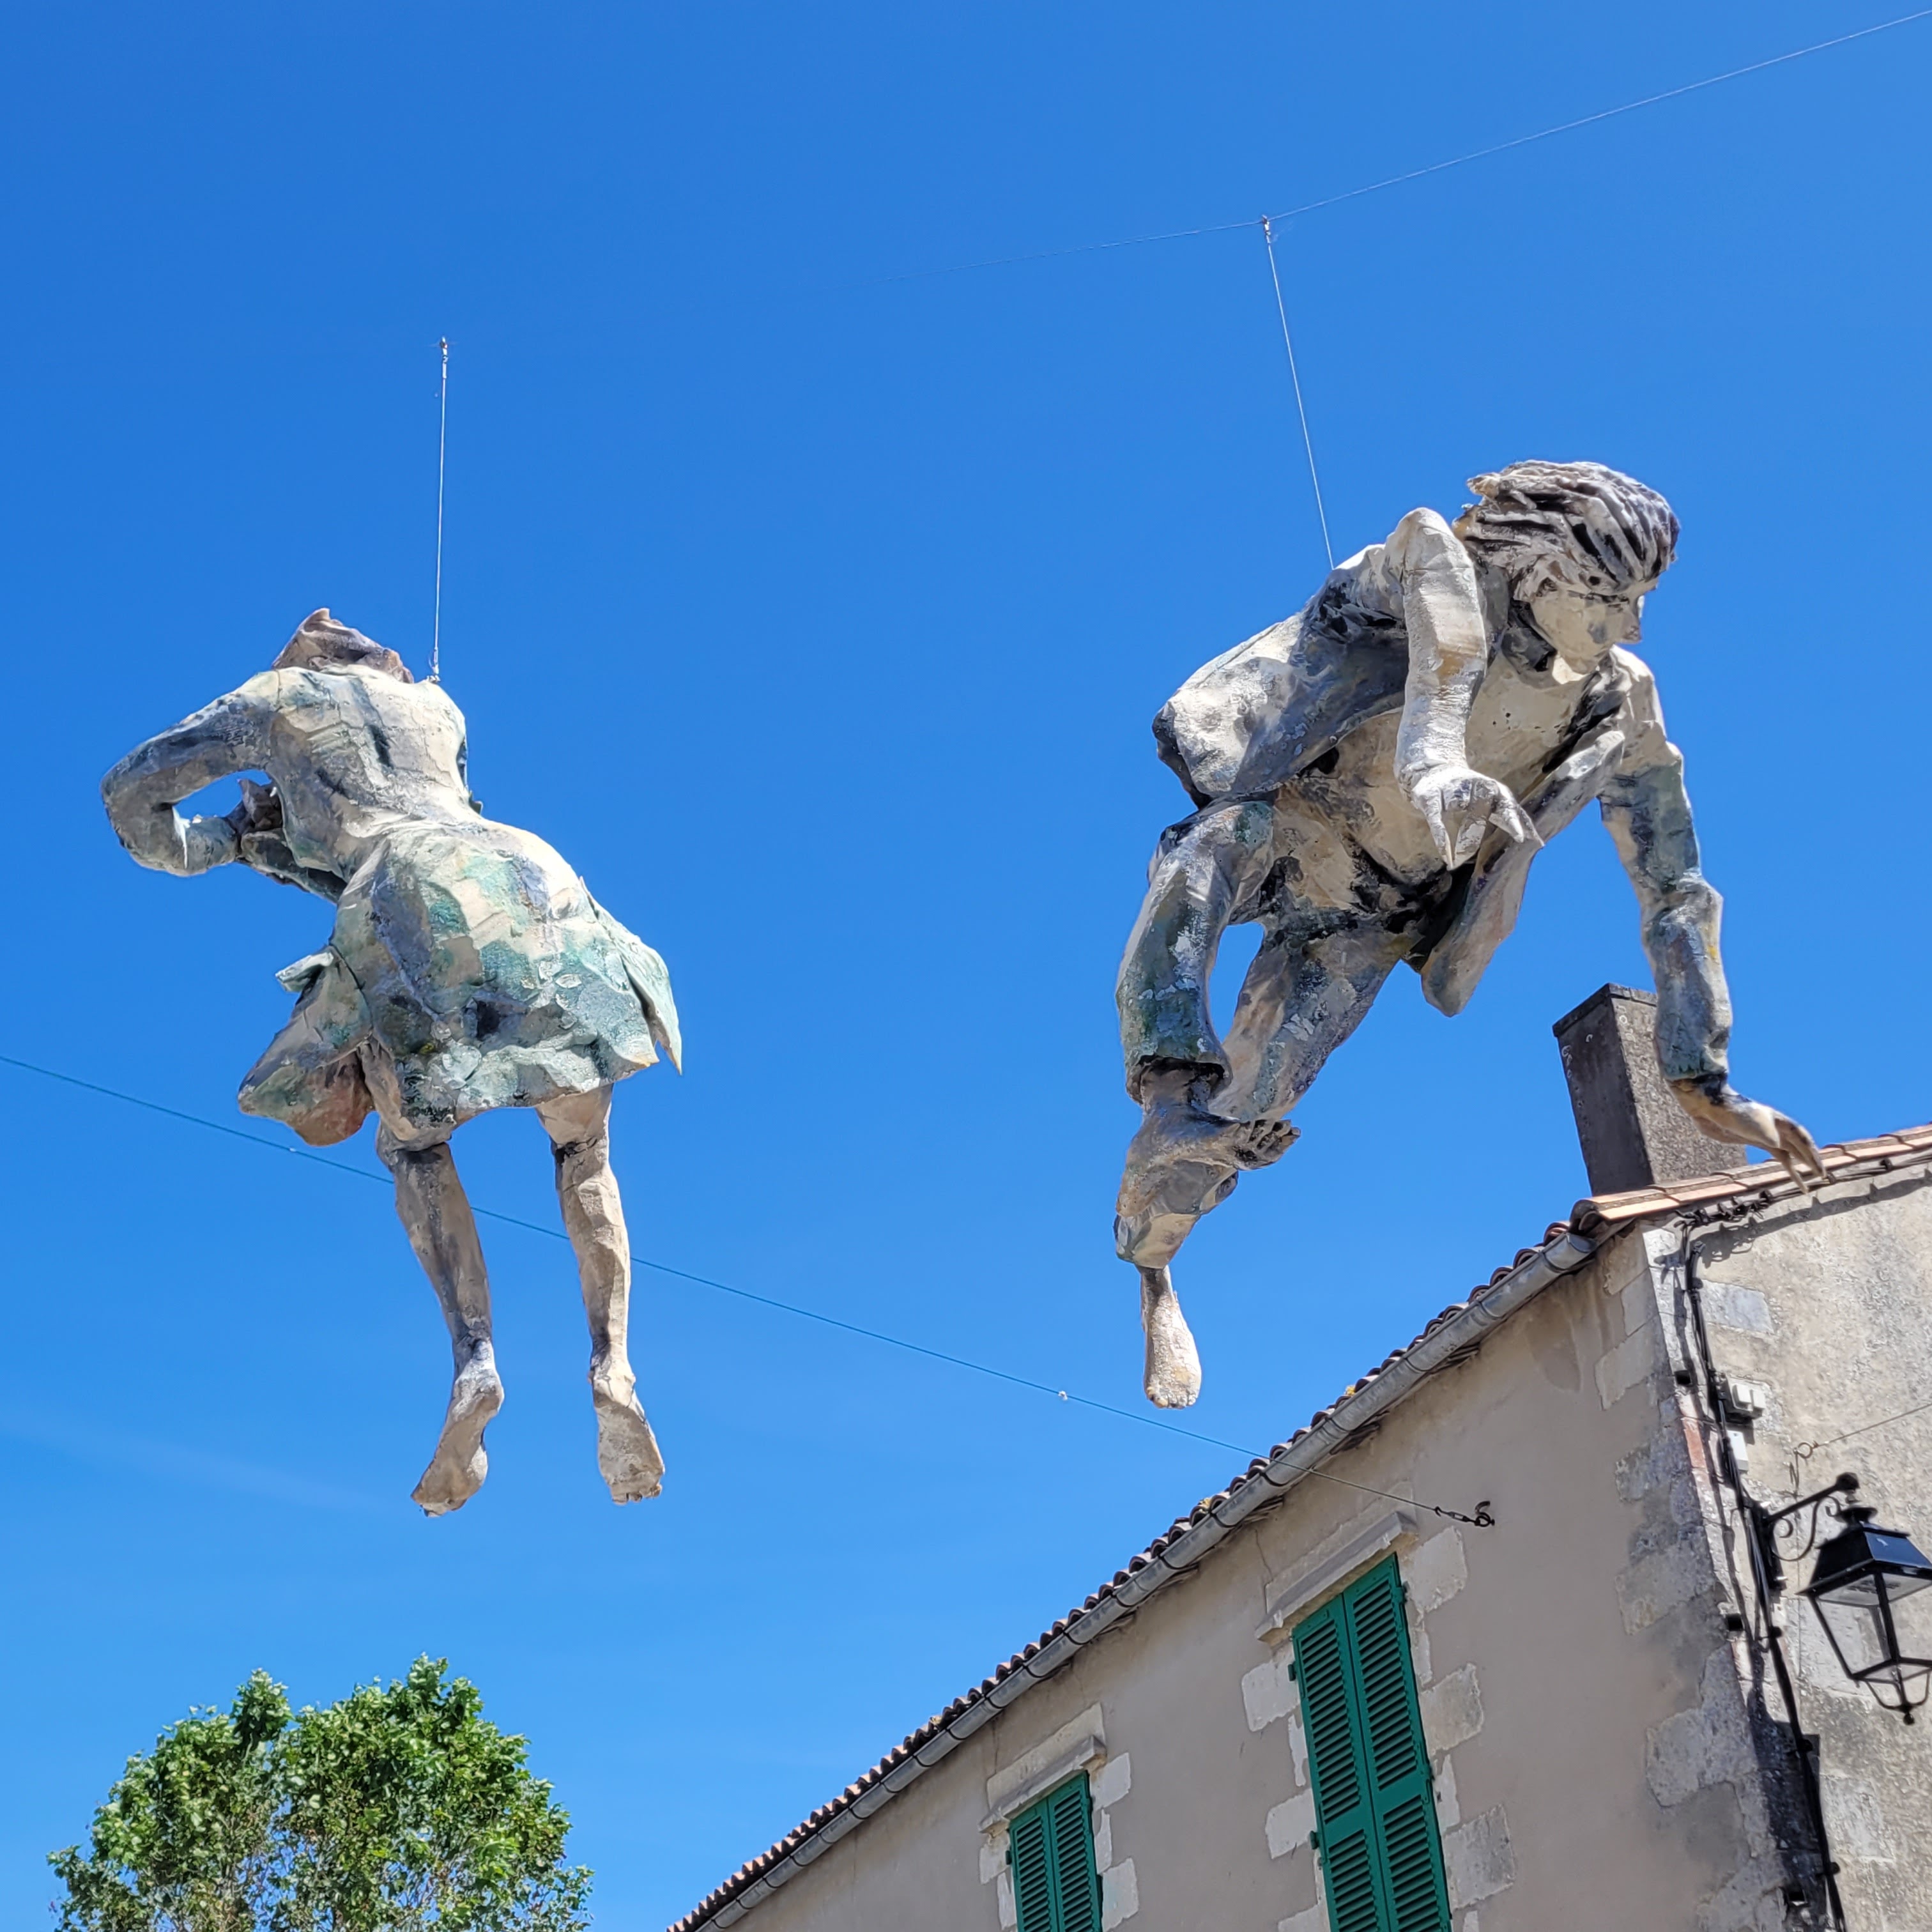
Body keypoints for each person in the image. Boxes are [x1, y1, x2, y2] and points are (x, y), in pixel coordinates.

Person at [1115, 461, 1822, 1409]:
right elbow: (1441, 615)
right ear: (1539, 571)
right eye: (1609, 599)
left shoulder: (1618, 702)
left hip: (1372, 912)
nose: (1631, 627)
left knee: (1247, 1111)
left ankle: (1156, 1264)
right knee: (1207, 851)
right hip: (1295, 824)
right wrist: (1435, 760)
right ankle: (1168, 1090)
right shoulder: (1427, 563)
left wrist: (1703, 1079)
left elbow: (1674, 883)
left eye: (1641, 601)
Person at [103, 610, 680, 1515]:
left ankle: (475, 1359)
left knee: (414, 1144)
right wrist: (284, 841)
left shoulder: (273, 699)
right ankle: (614, 1365)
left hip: (405, 881)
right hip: (531, 869)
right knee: (583, 1148)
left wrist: (224, 839)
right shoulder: (438, 709)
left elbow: (132, 798)